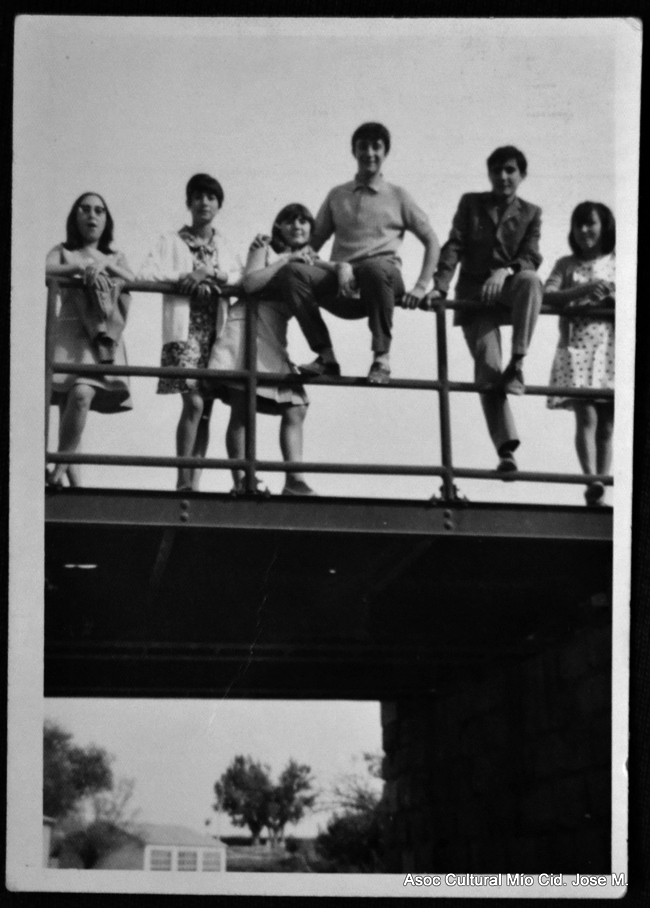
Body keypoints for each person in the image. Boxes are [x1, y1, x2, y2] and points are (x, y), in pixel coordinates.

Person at [278, 122, 440, 383]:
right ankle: (326, 357)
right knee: (292, 272)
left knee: (376, 268)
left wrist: (421, 286)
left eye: (376, 147)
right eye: (363, 146)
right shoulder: (337, 195)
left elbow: (431, 240)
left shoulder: (398, 195)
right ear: (354, 151)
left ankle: (381, 359)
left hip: (382, 280)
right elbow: (314, 242)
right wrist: (295, 261)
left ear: (385, 152)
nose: (369, 153)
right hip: (343, 283)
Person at [430, 145, 543, 474]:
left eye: (510, 170)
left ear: (522, 175)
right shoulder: (471, 203)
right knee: (488, 367)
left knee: (532, 281)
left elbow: (531, 255)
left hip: (506, 289)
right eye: (497, 170)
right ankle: (506, 449)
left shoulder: (531, 212)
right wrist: (440, 285)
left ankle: (518, 363)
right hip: (474, 297)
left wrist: (505, 271)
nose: (503, 177)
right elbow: (455, 244)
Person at [205, 204, 329, 495]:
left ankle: (294, 480)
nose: (297, 225)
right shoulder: (265, 248)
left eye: (304, 221)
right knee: (242, 407)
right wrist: (286, 259)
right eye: (290, 220)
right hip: (247, 328)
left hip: (274, 335)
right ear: (279, 226)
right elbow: (250, 283)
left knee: (296, 407)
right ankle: (243, 480)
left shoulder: (311, 257)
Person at [138, 173, 242, 491]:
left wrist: (211, 273)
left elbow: (240, 277)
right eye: (198, 196)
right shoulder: (172, 240)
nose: (204, 202)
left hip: (215, 334)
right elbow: (147, 272)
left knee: (205, 410)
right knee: (194, 404)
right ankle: (183, 480)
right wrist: (185, 276)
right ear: (189, 203)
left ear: (219, 204)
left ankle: (194, 481)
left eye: (211, 197)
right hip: (185, 333)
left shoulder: (224, 244)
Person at [46, 192, 134, 488]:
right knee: (70, 407)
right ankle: (75, 484)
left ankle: (58, 469)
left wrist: (106, 267)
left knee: (82, 395)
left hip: (101, 337)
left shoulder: (115, 256)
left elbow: (133, 280)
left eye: (99, 210)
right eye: (85, 209)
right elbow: (44, 270)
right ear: (76, 216)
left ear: (106, 219)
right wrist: (78, 268)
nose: (92, 216)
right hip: (70, 333)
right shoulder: (63, 250)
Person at [545, 202, 615, 506]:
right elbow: (548, 293)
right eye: (579, 225)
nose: (584, 230)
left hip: (610, 349)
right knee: (585, 414)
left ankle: (601, 484)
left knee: (607, 422)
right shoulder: (566, 264)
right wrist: (585, 291)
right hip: (577, 348)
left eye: (591, 224)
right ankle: (591, 481)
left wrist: (610, 295)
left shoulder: (619, 261)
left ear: (604, 227)